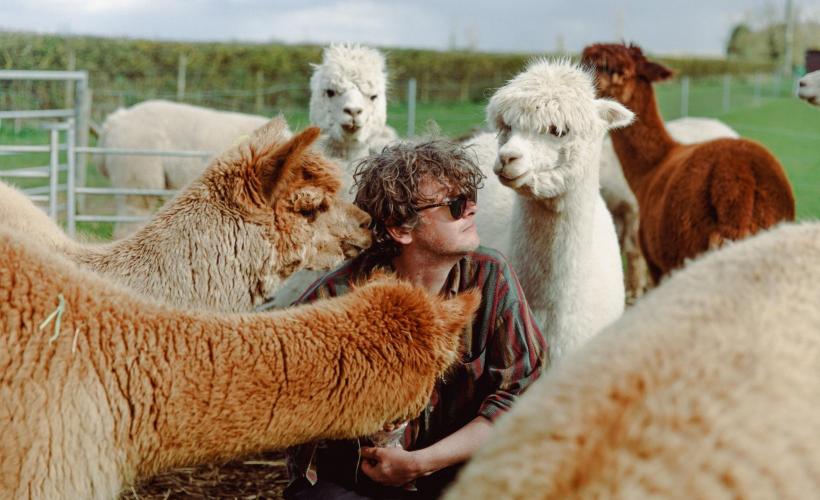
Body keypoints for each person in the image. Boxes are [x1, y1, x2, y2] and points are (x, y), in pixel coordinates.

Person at [269, 139, 549, 499]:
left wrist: (421, 462)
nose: (471, 209)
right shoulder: (335, 300)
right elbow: (287, 406)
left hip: (457, 475)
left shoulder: (490, 277)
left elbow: (523, 393)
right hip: (352, 483)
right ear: (401, 228)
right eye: (454, 205)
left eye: (470, 197)